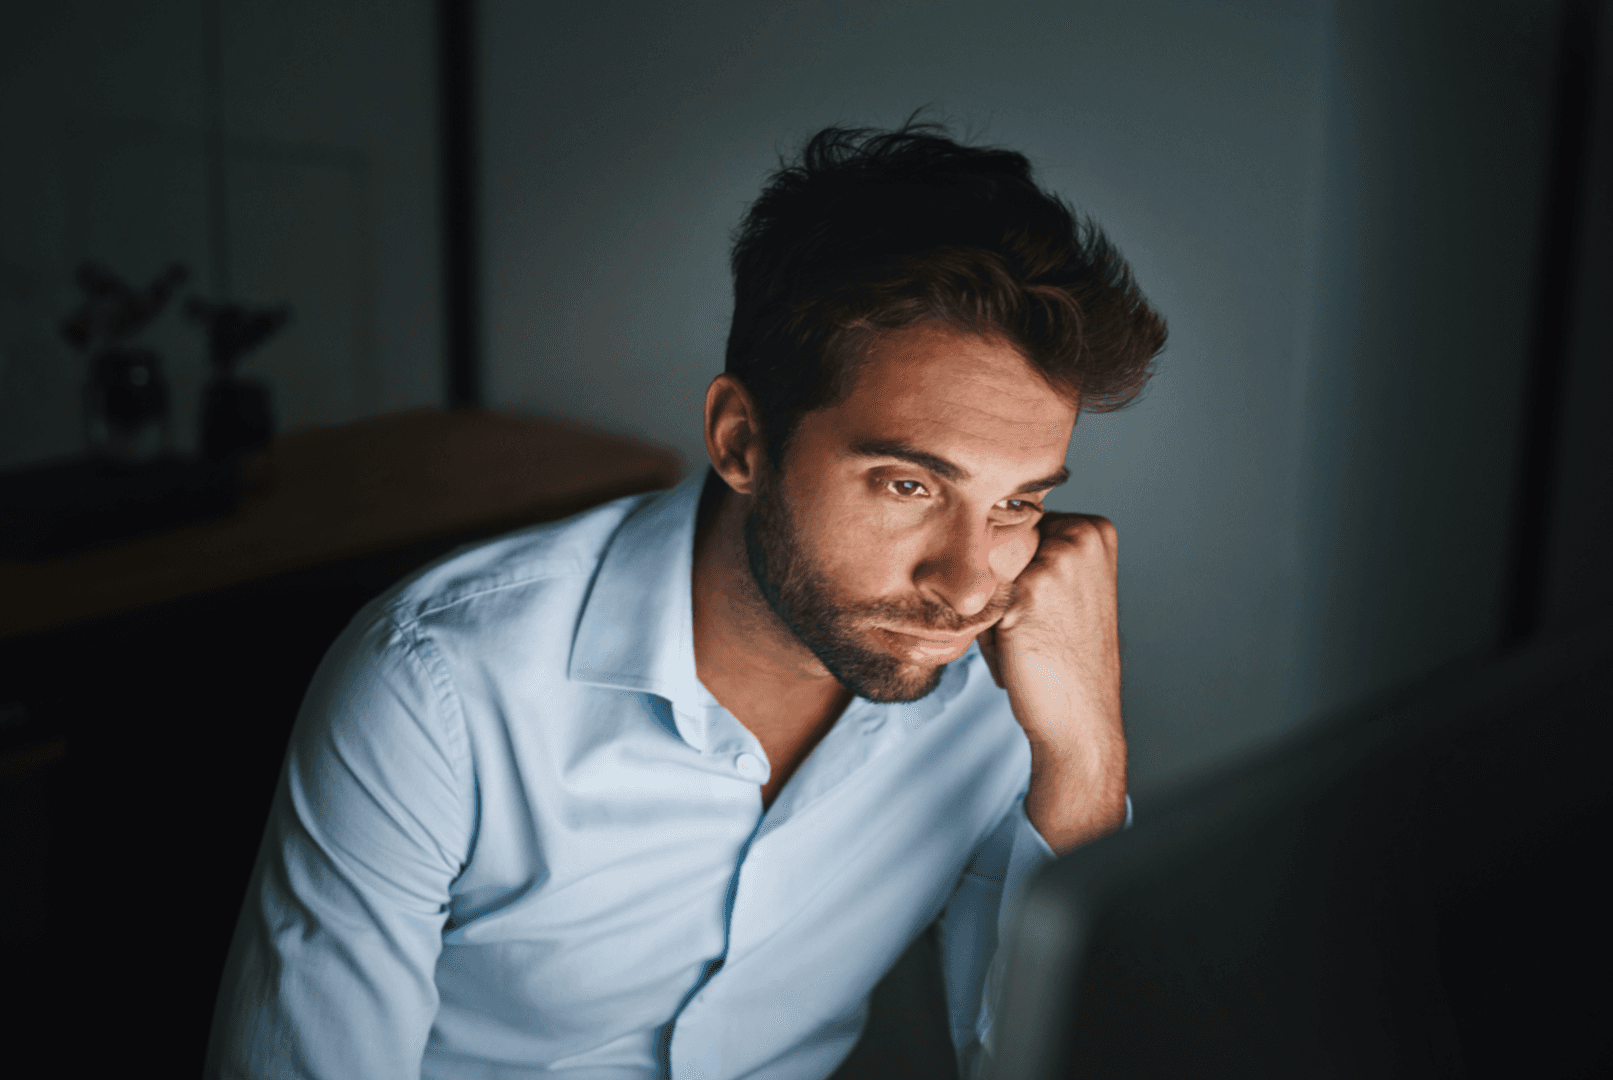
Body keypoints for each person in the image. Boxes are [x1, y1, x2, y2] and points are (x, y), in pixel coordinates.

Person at [205, 119, 1167, 1080]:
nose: (966, 584)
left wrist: (1086, 760)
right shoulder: (440, 685)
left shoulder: (1005, 684)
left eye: (1017, 502)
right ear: (742, 439)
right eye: (906, 486)